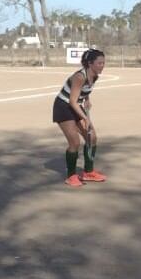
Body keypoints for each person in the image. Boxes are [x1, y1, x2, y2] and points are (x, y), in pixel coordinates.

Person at [53, 49, 107, 187]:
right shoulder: (79, 77)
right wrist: (85, 118)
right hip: (63, 107)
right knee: (75, 142)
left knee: (92, 138)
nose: (102, 66)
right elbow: (72, 100)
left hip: (75, 106)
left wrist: (87, 99)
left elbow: (84, 90)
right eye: (99, 63)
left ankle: (88, 172)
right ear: (90, 63)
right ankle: (71, 176)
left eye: (103, 63)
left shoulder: (94, 75)